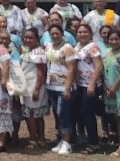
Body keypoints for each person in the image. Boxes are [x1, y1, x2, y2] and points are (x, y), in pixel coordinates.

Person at [44, 23, 76, 155]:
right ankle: (62, 140)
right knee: (57, 114)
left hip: (64, 86)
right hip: (51, 86)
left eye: (57, 33)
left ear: (62, 34)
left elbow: (72, 68)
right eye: (52, 34)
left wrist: (67, 87)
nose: (55, 36)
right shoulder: (48, 46)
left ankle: (67, 142)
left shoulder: (67, 47)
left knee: (63, 114)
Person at [72, 23, 104, 153]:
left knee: (87, 113)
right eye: (80, 32)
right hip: (79, 84)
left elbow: (98, 66)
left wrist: (92, 84)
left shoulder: (92, 47)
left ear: (90, 34)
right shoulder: (77, 46)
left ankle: (94, 143)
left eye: (85, 32)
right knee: (81, 113)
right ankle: (84, 138)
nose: (82, 34)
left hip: (90, 85)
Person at [102, 29, 120, 158]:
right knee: (117, 118)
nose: (114, 41)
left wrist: (113, 89)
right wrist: (106, 88)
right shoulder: (107, 53)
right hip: (109, 90)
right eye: (111, 39)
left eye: (116, 39)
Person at [18, 27, 49, 147]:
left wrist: (36, 88)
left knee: (32, 115)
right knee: (34, 114)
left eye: (31, 38)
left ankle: (34, 138)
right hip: (27, 87)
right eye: (26, 37)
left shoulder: (38, 52)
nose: (28, 40)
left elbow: (41, 71)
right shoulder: (28, 51)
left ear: (37, 39)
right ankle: (40, 138)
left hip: (34, 86)